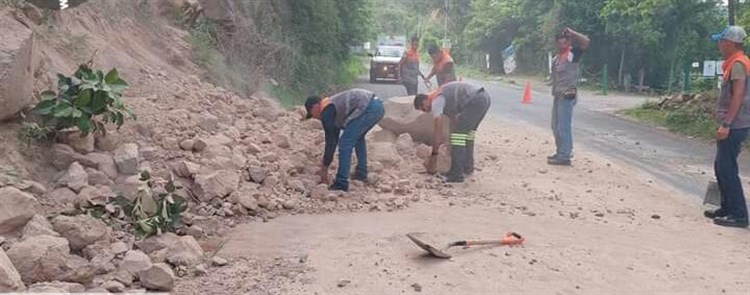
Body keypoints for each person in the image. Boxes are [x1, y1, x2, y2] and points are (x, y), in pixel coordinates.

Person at [704, 26, 750, 228]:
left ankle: (739, 214)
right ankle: (727, 208)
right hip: (735, 122)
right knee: (721, 166)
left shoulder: (739, 64)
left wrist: (726, 123)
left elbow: (738, 95)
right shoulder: (735, 63)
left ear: (730, 43)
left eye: (722, 41)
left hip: (735, 124)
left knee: (727, 168)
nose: (720, 45)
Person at [305, 89, 385, 192]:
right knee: (358, 138)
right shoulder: (332, 108)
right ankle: (361, 173)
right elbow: (333, 139)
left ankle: (341, 183)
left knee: (345, 143)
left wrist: (325, 167)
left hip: (368, 107)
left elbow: (330, 141)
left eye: (312, 114)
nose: (315, 118)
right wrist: (326, 162)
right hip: (377, 106)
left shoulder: (326, 111)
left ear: (315, 107)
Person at [413, 81, 491, 183]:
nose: (425, 111)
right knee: (467, 135)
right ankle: (467, 168)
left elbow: (438, 130)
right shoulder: (443, 97)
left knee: (458, 137)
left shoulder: (436, 100)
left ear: (425, 101)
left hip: (475, 101)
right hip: (483, 98)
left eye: (423, 108)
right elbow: (454, 120)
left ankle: (456, 174)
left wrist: (434, 153)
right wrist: (450, 142)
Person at [548, 27, 590, 166]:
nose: (562, 45)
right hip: (558, 95)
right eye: (559, 43)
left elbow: (585, 42)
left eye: (564, 43)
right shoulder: (556, 59)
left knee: (563, 126)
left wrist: (573, 33)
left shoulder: (572, 54)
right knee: (555, 126)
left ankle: (564, 156)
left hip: (568, 95)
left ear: (569, 42)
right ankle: (561, 151)